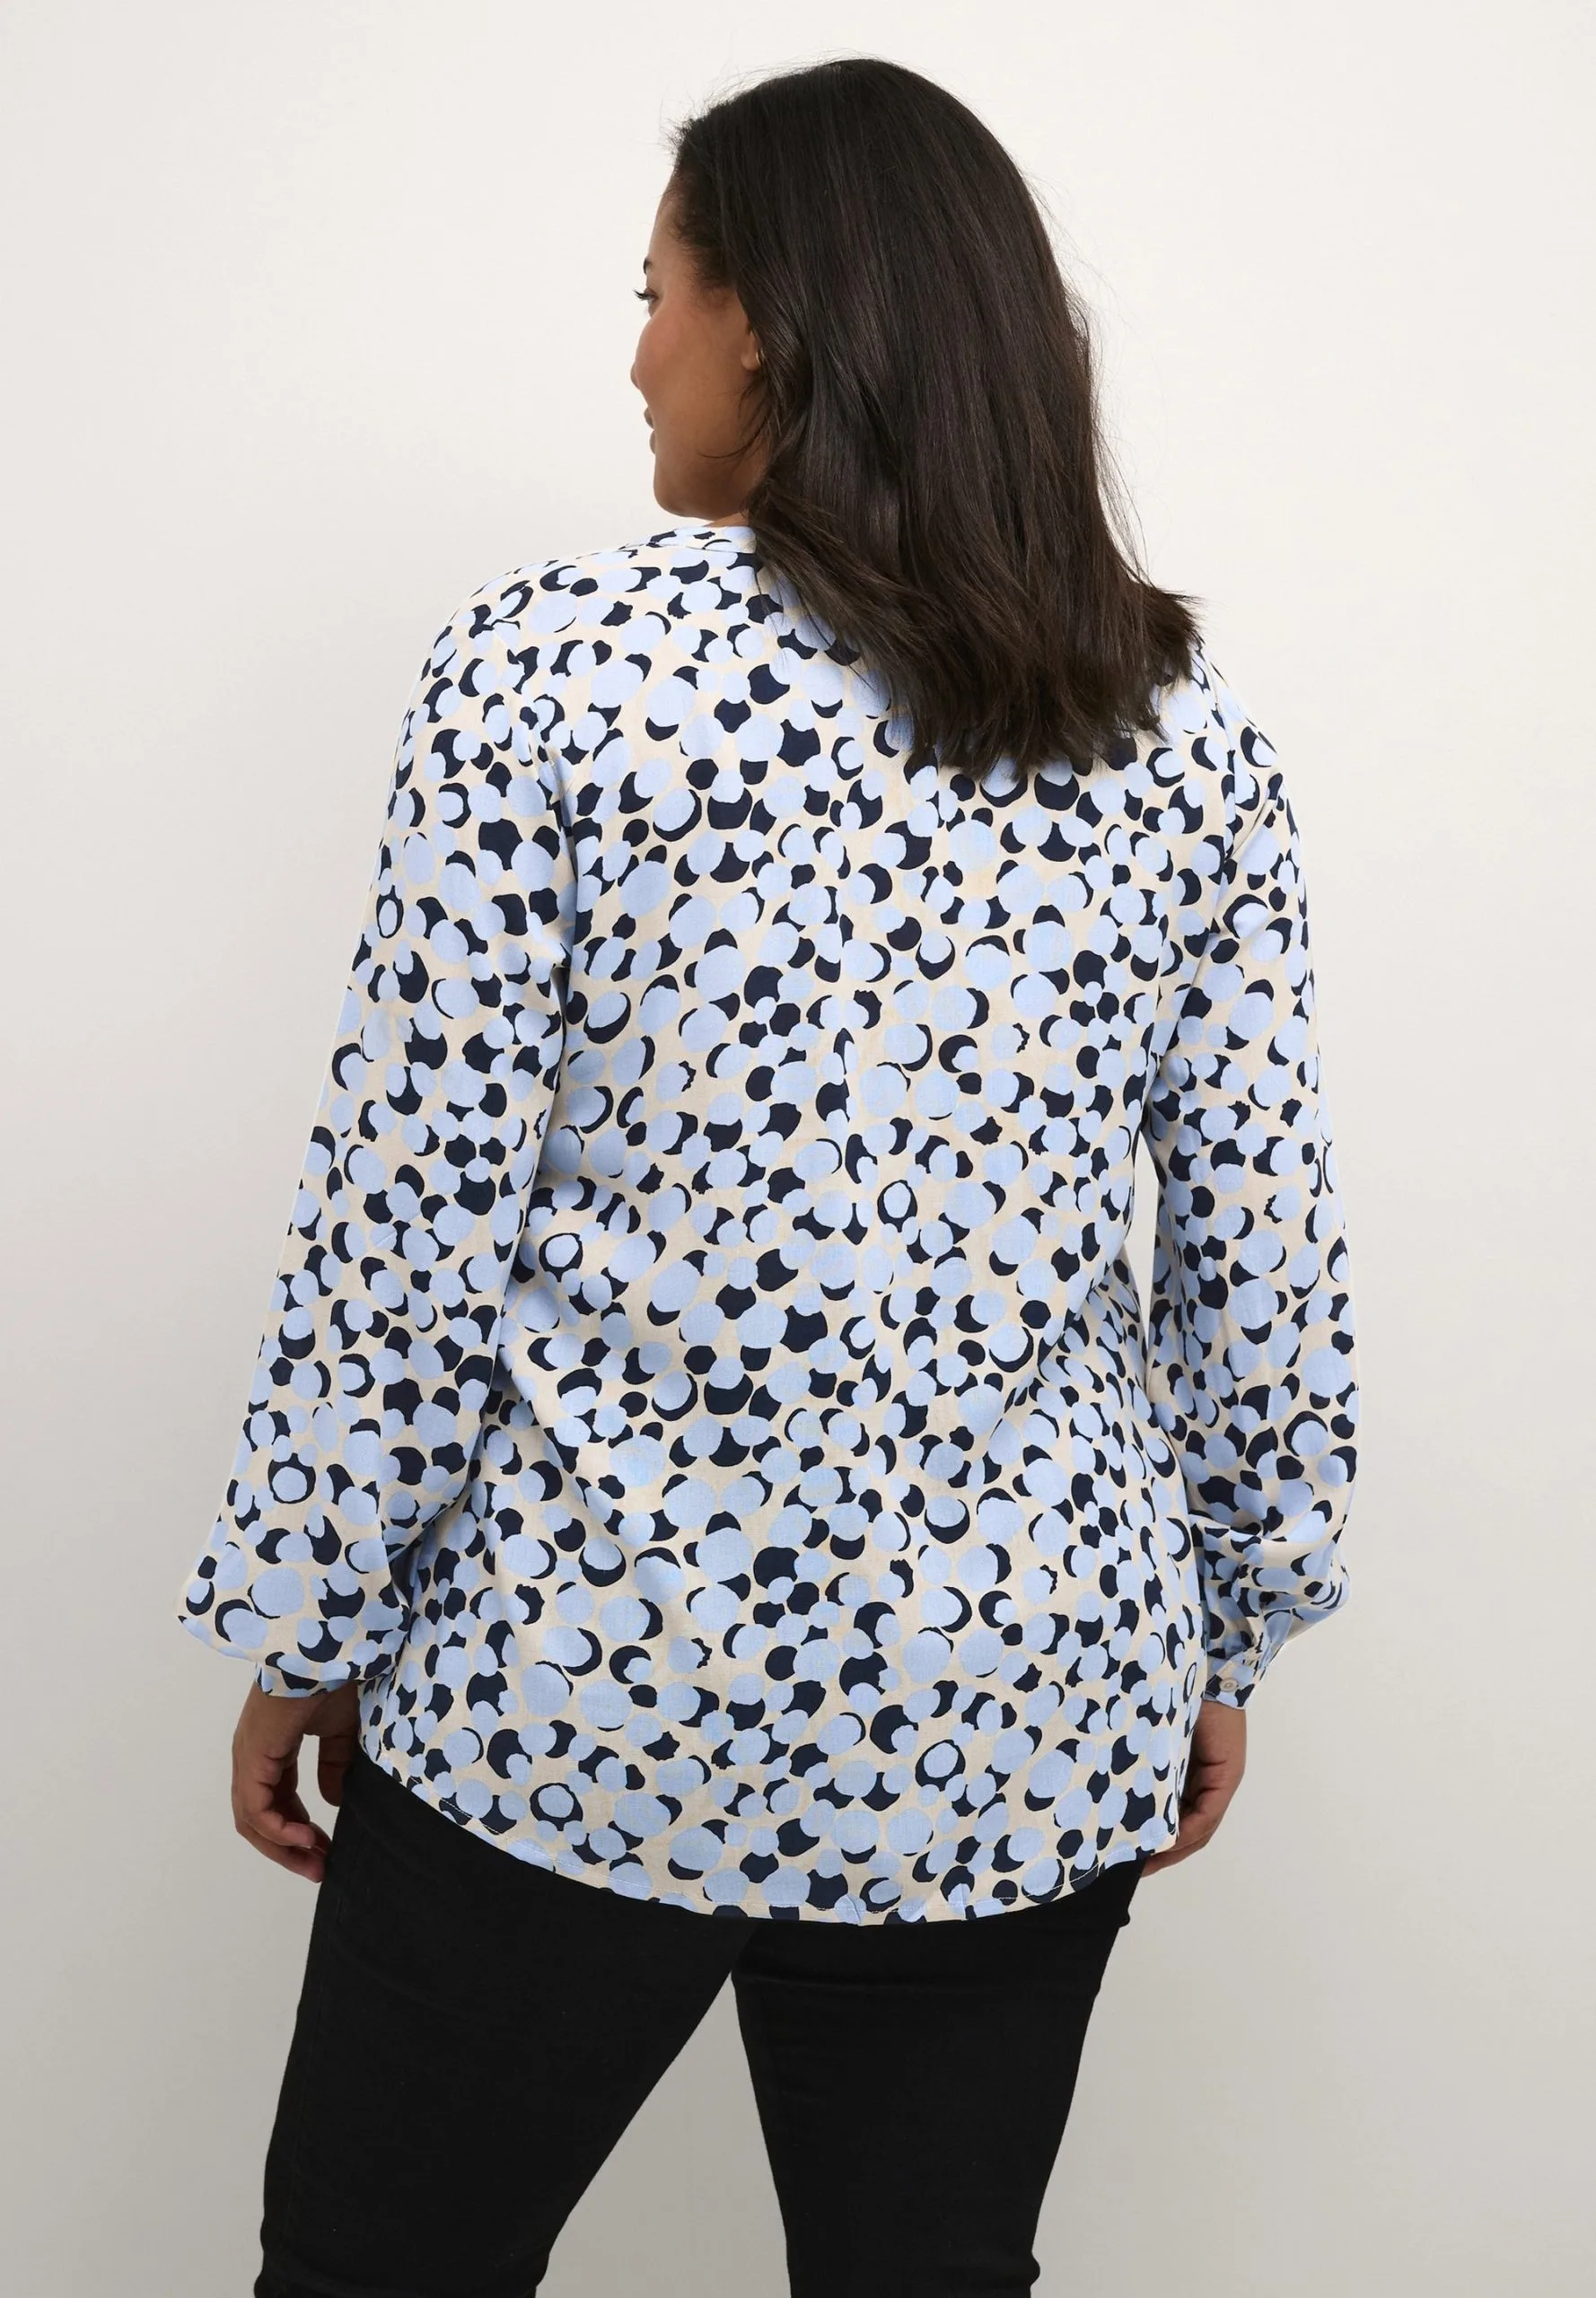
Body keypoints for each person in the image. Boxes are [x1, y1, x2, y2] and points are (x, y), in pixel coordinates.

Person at [176, 55, 1358, 2298]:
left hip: (577, 1683)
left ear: (774, 325)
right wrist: (1223, 1622)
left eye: (657, 295)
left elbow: (408, 1217)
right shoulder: (1169, 718)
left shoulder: (546, 668)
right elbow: (1260, 1246)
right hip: (1017, 1696)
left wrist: (307, 1616)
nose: (637, 355)